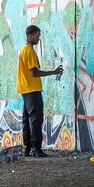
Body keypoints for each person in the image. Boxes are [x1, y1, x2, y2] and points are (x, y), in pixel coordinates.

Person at [17, 24, 63, 158]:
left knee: (27, 119)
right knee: (36, 119)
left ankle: (28, 148)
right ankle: (36, 148)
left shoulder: (24, 49)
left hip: (25, 89)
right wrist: (53, 72)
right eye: (37, 36)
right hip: (32, 89)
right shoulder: (29, 51)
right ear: (30, 36)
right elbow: (35, 73)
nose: (38, 39)